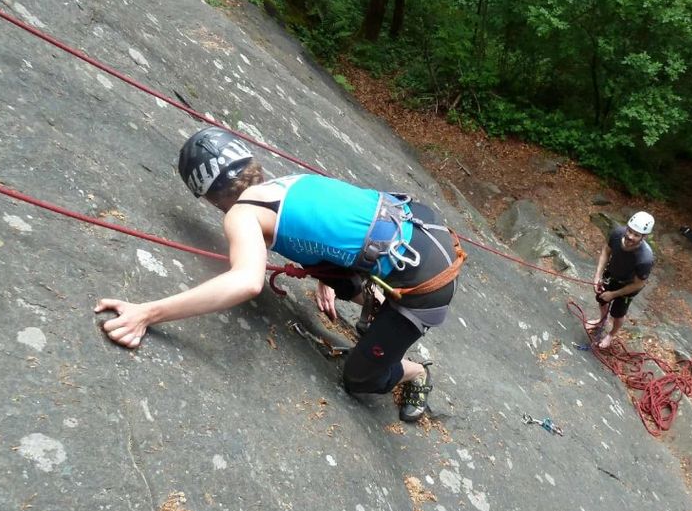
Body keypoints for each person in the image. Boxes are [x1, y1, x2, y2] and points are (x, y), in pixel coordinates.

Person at [95, 127, 464, 422]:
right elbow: (339, 223)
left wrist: (147, 313)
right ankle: (376, 308)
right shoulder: (293, 183)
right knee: (312, 260)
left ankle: (416, 371)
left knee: (360, 379)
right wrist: (326, 276)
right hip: (424, 233)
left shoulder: (240, 213)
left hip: (425, 283)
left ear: (208, 195)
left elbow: (246, 281)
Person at [586, 211, 655, 349]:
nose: (630, 236)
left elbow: (638, 283)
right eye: (630, 231)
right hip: (611, 274)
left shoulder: (645, 259)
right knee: (602, 299)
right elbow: (606, 251)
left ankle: (611, 334)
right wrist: (597, 276)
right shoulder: (617, 234)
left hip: (628, 286)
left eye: (636, 235)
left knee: (618, 314)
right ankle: (601, 321)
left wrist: (614, 294)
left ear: (644, 236)